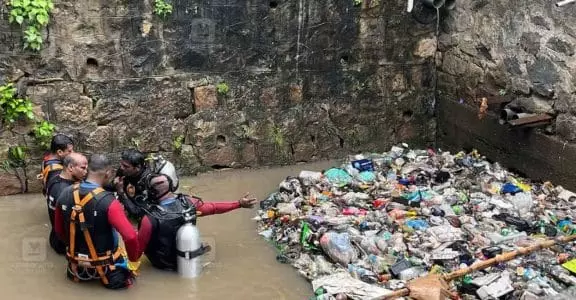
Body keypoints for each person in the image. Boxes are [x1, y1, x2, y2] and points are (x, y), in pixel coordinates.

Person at [54, 154, 142, 289]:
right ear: (108, 173)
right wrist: (133, 262)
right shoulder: (110, 202)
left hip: (76, 268)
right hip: (109, 269)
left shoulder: (64, 193)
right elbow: (130, 237)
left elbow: (59, 230)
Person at [137, 174, 257, 271]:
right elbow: (214, 208)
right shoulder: (189, 203)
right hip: (188, 263)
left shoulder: (149, 219)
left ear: (151, 192)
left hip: (163, 267)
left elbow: (137, 250)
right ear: (172, 187)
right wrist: (239, 204)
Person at [113, 149, 179, 220]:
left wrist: (121, 192)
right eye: (121, 164)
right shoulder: (124, 171)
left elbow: (138, 213)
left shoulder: (147, 183)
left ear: (137, 167)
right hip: (129, 201)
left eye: (126, 166)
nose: (121, 168)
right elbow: (113, 185)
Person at [45, 152, 88, 255]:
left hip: (54, 237)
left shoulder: (53, 179)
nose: (86, 172)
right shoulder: (68, 193)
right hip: (67, 245)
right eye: (83, 168)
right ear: (70, 167)